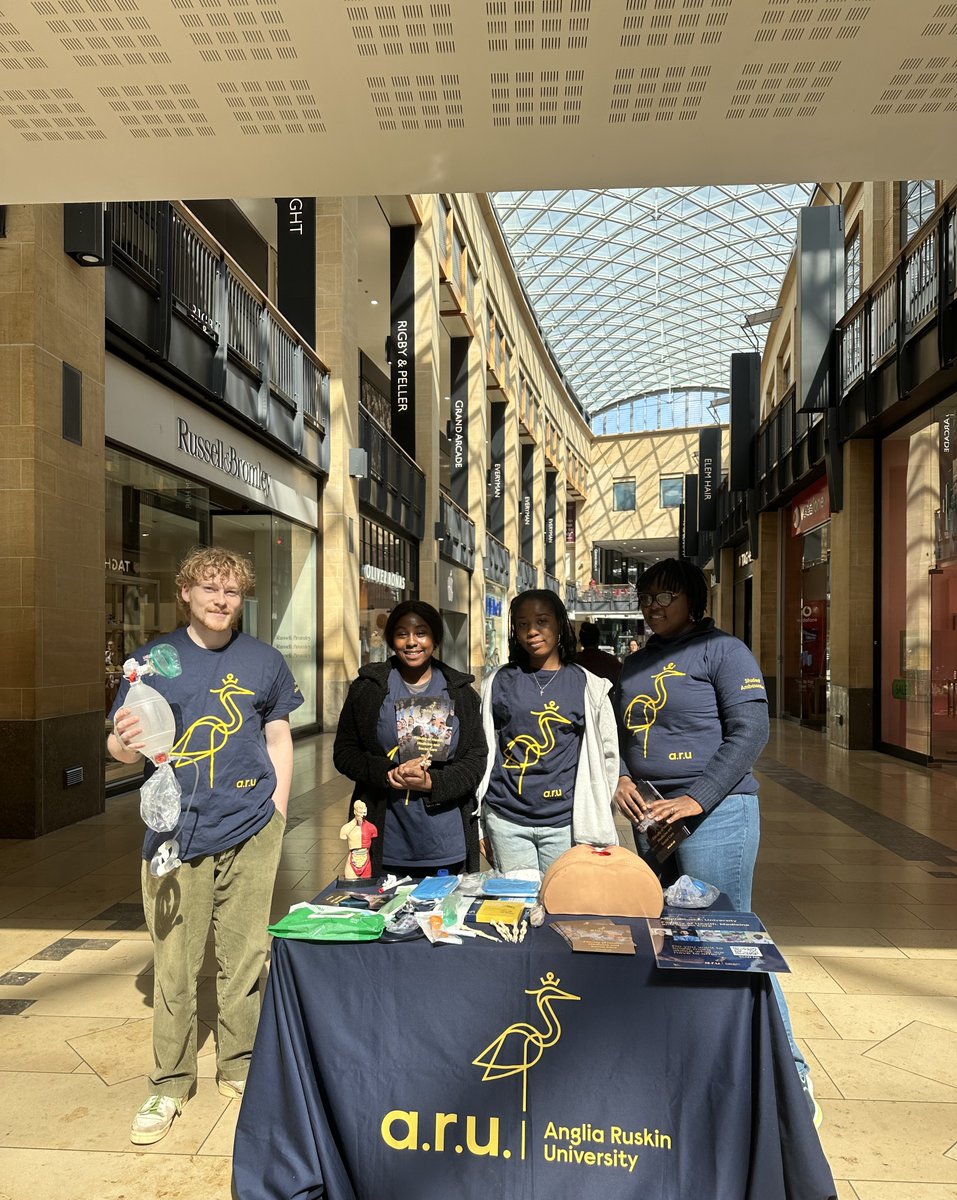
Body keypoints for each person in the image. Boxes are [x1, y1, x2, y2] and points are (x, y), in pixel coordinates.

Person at [612, 557, 820, 1127]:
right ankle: (700, 1061)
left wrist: (697, 798)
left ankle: (792, 1077)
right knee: (672, 935)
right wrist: (624, 779)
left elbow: (752, 730)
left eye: (668, 595)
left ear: (695, 600)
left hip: (716, 813)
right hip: (653, 817)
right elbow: (622, 736)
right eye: (648, 595)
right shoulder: (635, 663)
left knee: (732, 938)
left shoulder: (725, 651)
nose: (655, 605)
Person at [108, 547, 301, 1145]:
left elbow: (277, 737)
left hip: (251, 828)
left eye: (233, 591)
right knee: (175, 964)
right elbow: (117, 751)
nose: (222, 600)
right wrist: (120, 740)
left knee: (245, 959)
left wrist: (277, 813)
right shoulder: (153, 662)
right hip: (175, 835)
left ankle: (239, 1064)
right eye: (210, 589)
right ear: (186, 592)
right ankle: (168, 1082)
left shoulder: (264, 662)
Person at [333, 600, 487, 877]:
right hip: (386, 836)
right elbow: (344, 752)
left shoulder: (460, 692)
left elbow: (476, 760)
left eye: (421, 633)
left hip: (444, 839)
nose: (412, 642)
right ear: (392, 638)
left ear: (435, 638)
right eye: (402, 633)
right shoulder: (369, 688)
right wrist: (385, 772)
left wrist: (434, 783)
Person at [477, 589, 619, 873]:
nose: (532, 631)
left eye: (541, 621)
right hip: (507, 820)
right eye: (522, 624)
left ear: (559, 626)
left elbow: (608, 753)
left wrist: (599, 809)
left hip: (566, 823)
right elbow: (484, 748)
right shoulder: (498, 681)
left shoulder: (587, 685)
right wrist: (482, 823)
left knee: (564, 906)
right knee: (517, 907)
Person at [575, 620, 622, 685]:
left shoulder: (573, 661)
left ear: (581, 642)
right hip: (607, 694)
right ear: (598, 640)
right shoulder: (611, 661)